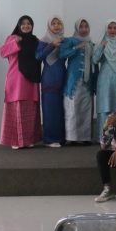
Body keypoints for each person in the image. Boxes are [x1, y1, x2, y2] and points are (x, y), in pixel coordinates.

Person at [0, 15, 42, 149]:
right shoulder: (12, 38)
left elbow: (40, 56)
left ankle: (29, 140)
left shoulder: (35, 40)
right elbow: (2, 52)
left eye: (29, 23)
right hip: (16, 79)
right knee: (16, 109)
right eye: (23, 23)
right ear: (18, 25)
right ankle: (15, 141)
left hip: (31, 79)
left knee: (30, 109)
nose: (26, 26)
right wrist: (15, 43)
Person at [93, 20, 116, 142]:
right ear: (106, 29)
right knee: (105, 106)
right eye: (110, 28)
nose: (113, 30)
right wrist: (101, 46)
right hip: (105, 78)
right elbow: (94, 60)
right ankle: (103, 137)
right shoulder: (102, 42)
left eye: (115, 28)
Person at [60, 19, 94, 145]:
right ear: (77, 28)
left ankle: (85, 137)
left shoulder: (90, 42)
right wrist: (76, 47)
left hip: (87, 81)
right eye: (81, 26)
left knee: (86, 108)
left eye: (86, 26)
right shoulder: (70, 40)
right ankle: (72, 137)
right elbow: (62, 54)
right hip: (74, 79)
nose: (84, 29)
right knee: (73, 108)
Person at [36, 16, 66, 147]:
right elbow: (38, 56)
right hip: (49, 78)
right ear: (49, 26)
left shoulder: (64, 40)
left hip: (62, 76)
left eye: (59, 23)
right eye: (53, 23)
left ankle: (60, 138)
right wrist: (52, 45)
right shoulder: (44, 40)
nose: (56, 26)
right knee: (50, 109)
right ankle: (50, 139)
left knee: (61, 109)